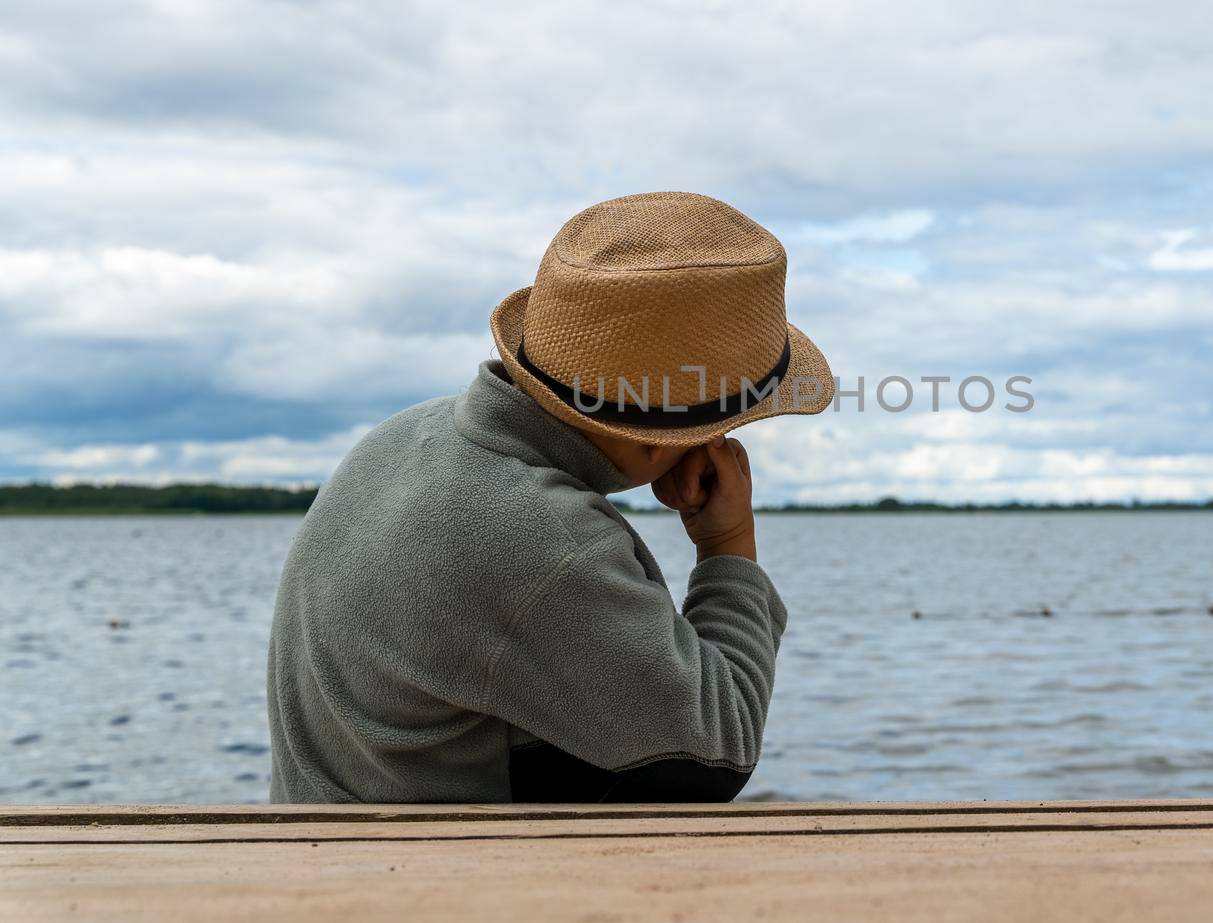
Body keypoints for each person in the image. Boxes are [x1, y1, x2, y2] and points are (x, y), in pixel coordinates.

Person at [266, 191, 834, 803]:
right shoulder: (540, 535)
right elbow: (718, 751)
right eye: (723, 424)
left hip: (325, 859)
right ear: (655, 442)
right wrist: (727, 546)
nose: (722, 440)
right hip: (417, 888)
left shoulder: (407, 438)